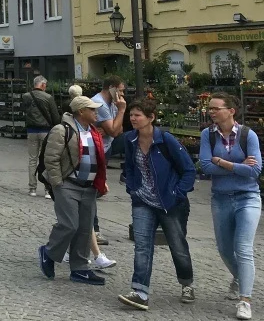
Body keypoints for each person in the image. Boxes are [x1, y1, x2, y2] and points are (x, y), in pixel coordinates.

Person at [117, 99, 195, 311]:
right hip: (142, 200)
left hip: (169, 203)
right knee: (142, 246)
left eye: (138, 115)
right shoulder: (130, 139)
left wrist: (177, 193)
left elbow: (189, 170)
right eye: (131, 114)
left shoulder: (166, 140)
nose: (133, 118)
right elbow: (131, 167)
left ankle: (187, 283)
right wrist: (132, 188)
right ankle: (140, 292)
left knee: (177, 246)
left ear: (151, 118)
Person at [199, 92, 262, 321]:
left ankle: (245, 300)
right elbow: (205, 166)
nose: (211, 112)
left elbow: (255, 171)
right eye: (210, 108)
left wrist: (222, 162)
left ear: (231, 111)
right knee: (225, 249)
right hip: (221, 198)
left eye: (216, 108)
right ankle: (239, 277)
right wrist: (238, 165)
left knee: (243, 247)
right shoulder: (208, 135)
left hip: (248, 197)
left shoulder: (248, 135)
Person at [37, 95, 108, 286]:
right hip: (68, 184)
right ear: (81, 112)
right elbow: (51, 159)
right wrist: (57, 183)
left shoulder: (93, 131)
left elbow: (97, 159)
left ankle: (80, 269)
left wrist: (101, 181)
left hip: (89, 187)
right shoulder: (62, 130)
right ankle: (49, 252)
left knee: (85, 229)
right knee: (70, 224)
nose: (96, 112)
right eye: (92, 109)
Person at [91, 75, 126, 244]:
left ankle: (89, 225)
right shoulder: (100, 104)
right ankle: (92, 229)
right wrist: (121, 111)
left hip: (106, 147)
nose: (121, 95)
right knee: (92, 191)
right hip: (97, 150)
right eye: (120, 90)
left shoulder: (111, 103)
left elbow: (118, 130)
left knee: (95, 190)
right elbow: (113, 130)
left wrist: (113, 128)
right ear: (111, 87)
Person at [23, 75, 60, 197]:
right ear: (43, 85)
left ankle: (32, 188)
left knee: (32, 159)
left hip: (31, 131)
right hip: (45, 131)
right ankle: (47, 189)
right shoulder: (48, 97)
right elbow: (55, 116)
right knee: (46, 159)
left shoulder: (26, 96)